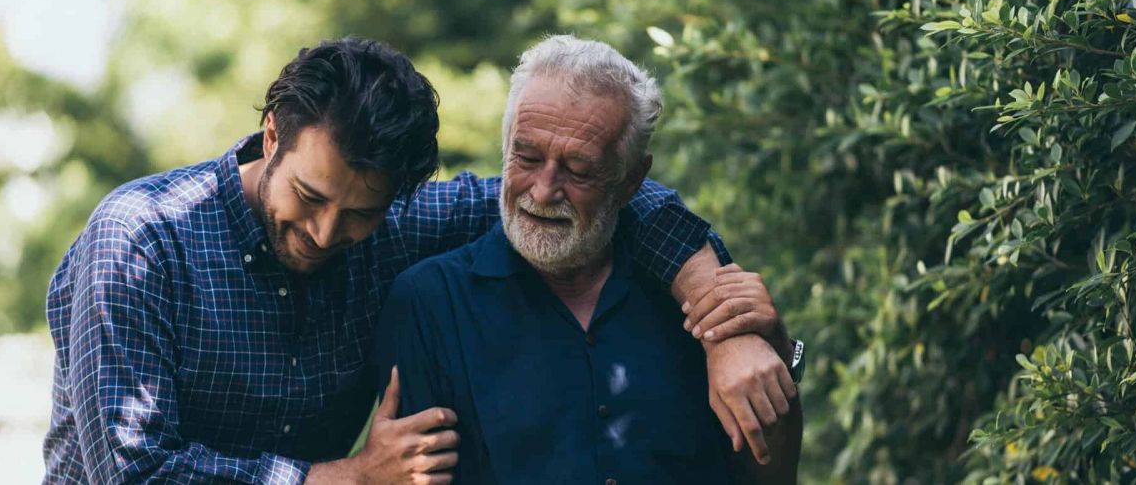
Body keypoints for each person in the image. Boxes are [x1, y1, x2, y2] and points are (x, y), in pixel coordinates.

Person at [42, 37, 792, 484]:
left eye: (361, 212)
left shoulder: (399, 224)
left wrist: (721, 317)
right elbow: (134, 472)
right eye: (309, 195)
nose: (327, 232)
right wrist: (341, 478)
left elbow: (602, 200)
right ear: (272, 135)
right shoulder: (141, 241)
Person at [374, 35, 802, 484]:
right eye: (527, 156)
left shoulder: (697, 291)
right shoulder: (428, 303)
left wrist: (770, 347)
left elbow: (769, 477)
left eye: (579, 170)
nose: (542, 191)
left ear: (632, 179)